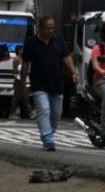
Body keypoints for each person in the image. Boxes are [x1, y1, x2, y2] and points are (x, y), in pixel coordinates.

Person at [20, 16, 79, 151]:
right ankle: (48, 139)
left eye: (52, 28)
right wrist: (23, 83)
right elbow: (25, 64)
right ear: (40, 28)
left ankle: (49, 133)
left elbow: (66, 57)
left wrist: (73, 73)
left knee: (56, 113)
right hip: (39, 83)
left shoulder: (58, 41)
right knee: (44, 110)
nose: (51, 31)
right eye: (47, 28)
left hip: (57, 83)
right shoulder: (31, 43)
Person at [8, 45, 33, 120]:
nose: (23, 51)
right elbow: (14, 71)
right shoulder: (16, 59)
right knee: (16, 97)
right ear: (18, 51)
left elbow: (29, 69)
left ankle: (29, 113)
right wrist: (20, 73)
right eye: (22, 50)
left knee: (25, 98)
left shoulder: (26, 60)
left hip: (26, 80)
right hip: (19, 80)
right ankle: (12, 113)